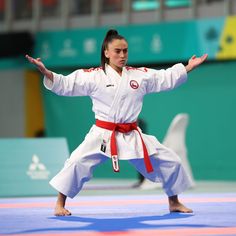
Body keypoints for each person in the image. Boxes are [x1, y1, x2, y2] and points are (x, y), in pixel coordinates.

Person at [26, 29, 208, 216]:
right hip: (103, 134)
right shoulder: (93, 76)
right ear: (106, 52)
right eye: (117, 51)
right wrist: (46, 72)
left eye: (125, 51)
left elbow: (164, 78)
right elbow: (66, 84)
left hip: (131, 134)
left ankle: (174, 201)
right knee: (76, 162)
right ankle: (59, 204)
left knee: (171, 161)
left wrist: (188, 67)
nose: (122, 55)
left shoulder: (139, 75)